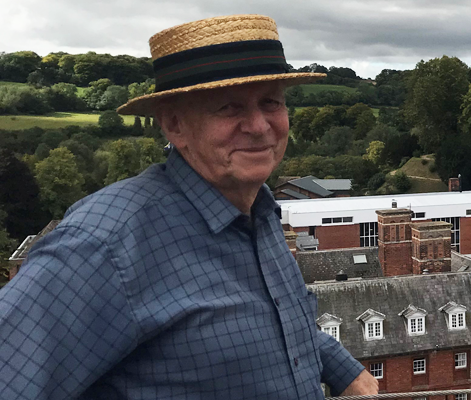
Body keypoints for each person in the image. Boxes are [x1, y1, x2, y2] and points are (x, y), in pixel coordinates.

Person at [0, 14, 379, 398]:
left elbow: (263, 319)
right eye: (230, 108)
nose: (260, 125)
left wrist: (343, 369)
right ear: (175, 125)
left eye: (270, 102)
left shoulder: (258, 211)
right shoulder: (105, 245)